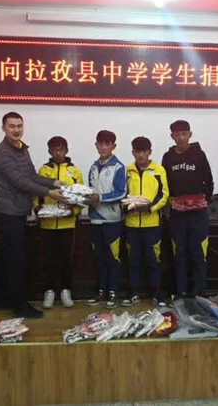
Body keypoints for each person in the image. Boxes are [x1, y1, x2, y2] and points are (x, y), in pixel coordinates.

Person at [0, 112, 66, 319]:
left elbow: (31, 175)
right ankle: (20, 306)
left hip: (19, 211)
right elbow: (20, 182)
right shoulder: (3, 153)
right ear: (3, 128)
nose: (16, 130)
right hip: (9, 213)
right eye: (12, 126)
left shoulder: (22, 148)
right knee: (16, 261)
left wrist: (54, 182)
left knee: (7, 258)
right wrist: (50, 192)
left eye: (19, 126)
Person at [161, 120, 214, 300]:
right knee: (180, 253)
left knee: (198, 253)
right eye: (177, 134)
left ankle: (199, 291)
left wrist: (203, 200)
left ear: (190, 134)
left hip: (198, 215)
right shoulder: (168, 157)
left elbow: (209, 181)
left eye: (184, 134)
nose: (181, 138)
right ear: (172, 136)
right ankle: (181, 291)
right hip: (177, 215)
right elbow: (164, 184)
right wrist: (170, 200)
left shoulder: (199, 155)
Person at [33, 136, 84, 309]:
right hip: (47, 224)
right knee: (48, 259)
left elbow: (81, 197)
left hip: (67, 225)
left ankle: (65, 290)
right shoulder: (43, 171)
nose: (57, 153)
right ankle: (49, 291)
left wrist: (73, 212)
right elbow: (36, 194)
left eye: (60, 149)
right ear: (49, 151)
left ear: (66, 150)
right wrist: (38, 210)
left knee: (66, 259)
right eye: (54, 149)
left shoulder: (74, 172)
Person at [121, 137, 169, 308]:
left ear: (149, 152)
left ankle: (157, 294)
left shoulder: (158, 170)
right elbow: (122, 193)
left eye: (144, 151)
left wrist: (149, 208)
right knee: (133, 261)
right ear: (133, 152)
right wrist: (127, 207)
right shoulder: (127, 170)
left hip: (152, 224)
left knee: (153, 260)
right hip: (132, 224)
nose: (141, 155)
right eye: (137, 151)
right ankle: (133, 293)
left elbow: (164, 195)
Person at [84, 130, 127, 309]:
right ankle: (101, 290)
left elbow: (121, 193)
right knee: (99, 258)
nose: (103, 147)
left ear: (113, 146)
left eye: (107, 144)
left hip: (112, 220)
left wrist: (99, 198)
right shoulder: (93, 167)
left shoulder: (119, 167)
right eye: (100, 143)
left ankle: (113, 292)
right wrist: (84, 197)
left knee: (113, 258)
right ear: (96, 145)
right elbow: (90, 190)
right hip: (95, 219)